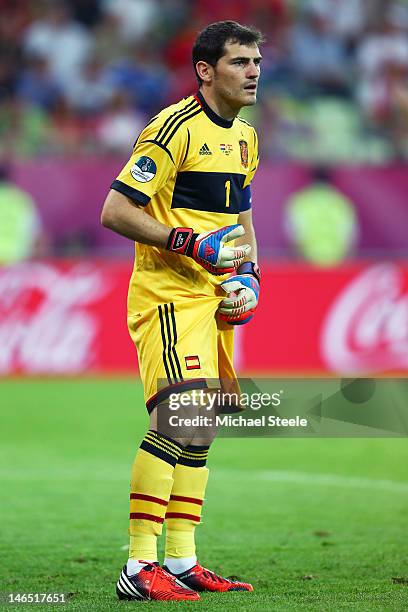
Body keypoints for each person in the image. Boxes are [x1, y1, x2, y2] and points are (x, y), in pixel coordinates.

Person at [101, 20, 262, 602]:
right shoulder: (172, 130)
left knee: (201, 429)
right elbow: (115, 211)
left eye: (256, 61)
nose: (253, 72)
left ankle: (183, 560)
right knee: (180, 419)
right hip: (168, 295)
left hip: (215, 301)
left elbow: (241, 220)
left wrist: (250, 276)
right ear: (205, 70)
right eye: (240, 61)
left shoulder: (244, 138)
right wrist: (190, 244)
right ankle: (139, 564)